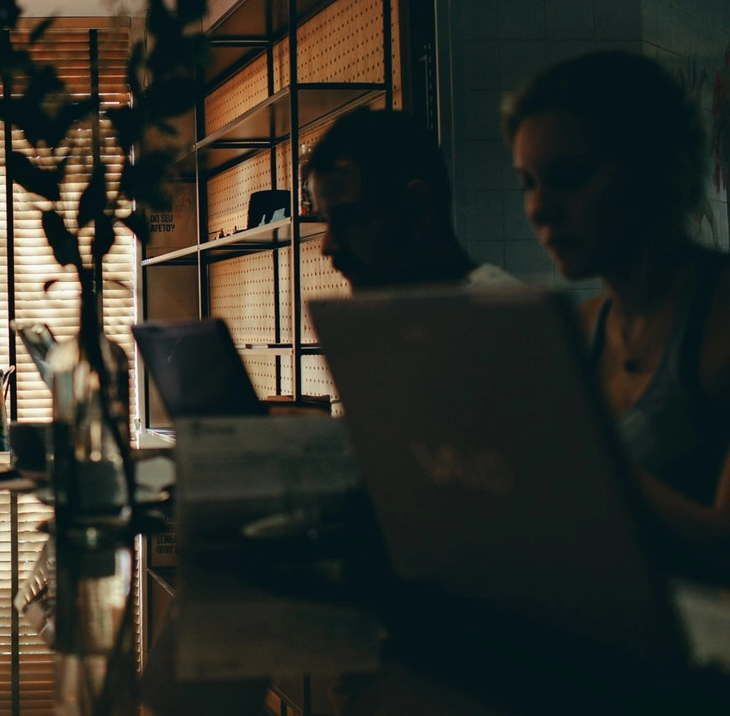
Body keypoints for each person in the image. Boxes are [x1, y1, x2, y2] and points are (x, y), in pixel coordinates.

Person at [507, 50, 730, 570]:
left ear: (655, 168)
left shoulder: (719, 320)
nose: (540, 207)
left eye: (570, 175)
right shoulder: (578, 332)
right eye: (529, 183)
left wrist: (585, 457)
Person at [304, 108, 519, 291]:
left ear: (417, 207)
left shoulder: (507, 321)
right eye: (326, 221)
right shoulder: (406, 322)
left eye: (348, 218)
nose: (327, 246)